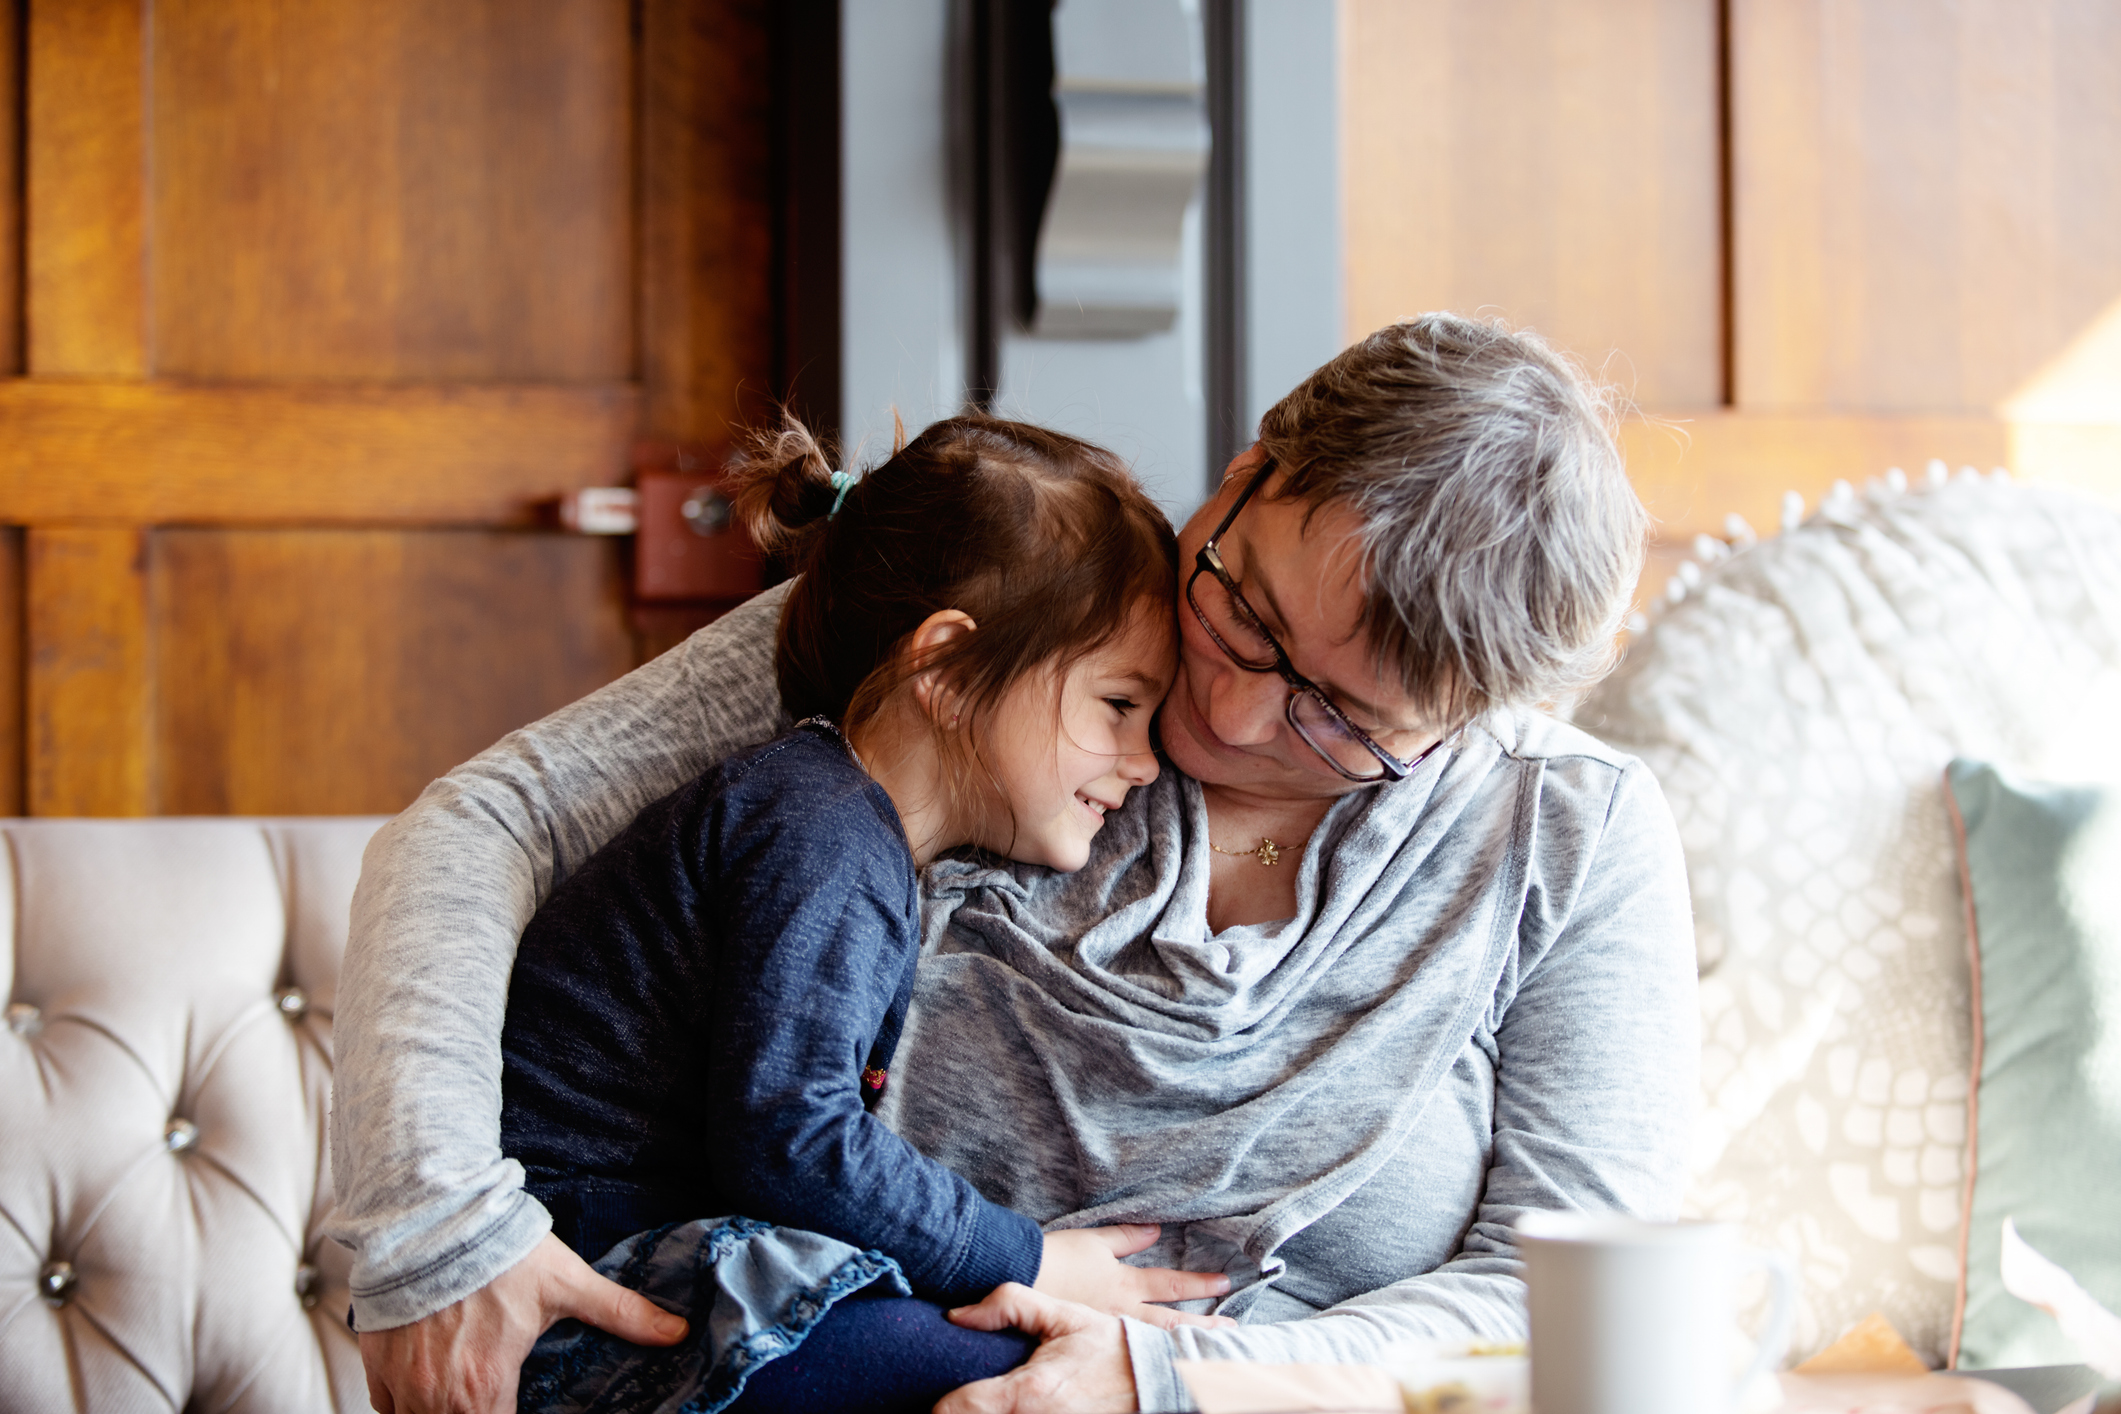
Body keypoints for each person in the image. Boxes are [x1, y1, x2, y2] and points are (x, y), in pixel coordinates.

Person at [330, 313, 1699, 1414]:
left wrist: (1179, 1382)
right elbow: (487, 819)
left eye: (1341, 719)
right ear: (1243, 469)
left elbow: (1565, 1303)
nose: (1223, 714)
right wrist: (437, 1231)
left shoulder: (1565, 837)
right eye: (1244, 611)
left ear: (1469, 722)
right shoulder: (1016, 628)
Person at [495, 414, 1231, 1411]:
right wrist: (1030, 1258)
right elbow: (791, 1137)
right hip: (586, 1283)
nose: (1144, 762)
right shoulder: (822, 832)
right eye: (1117, 704)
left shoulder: (836, 819)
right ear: (945, 668)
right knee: (1015, 1374)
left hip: (649, 1256)